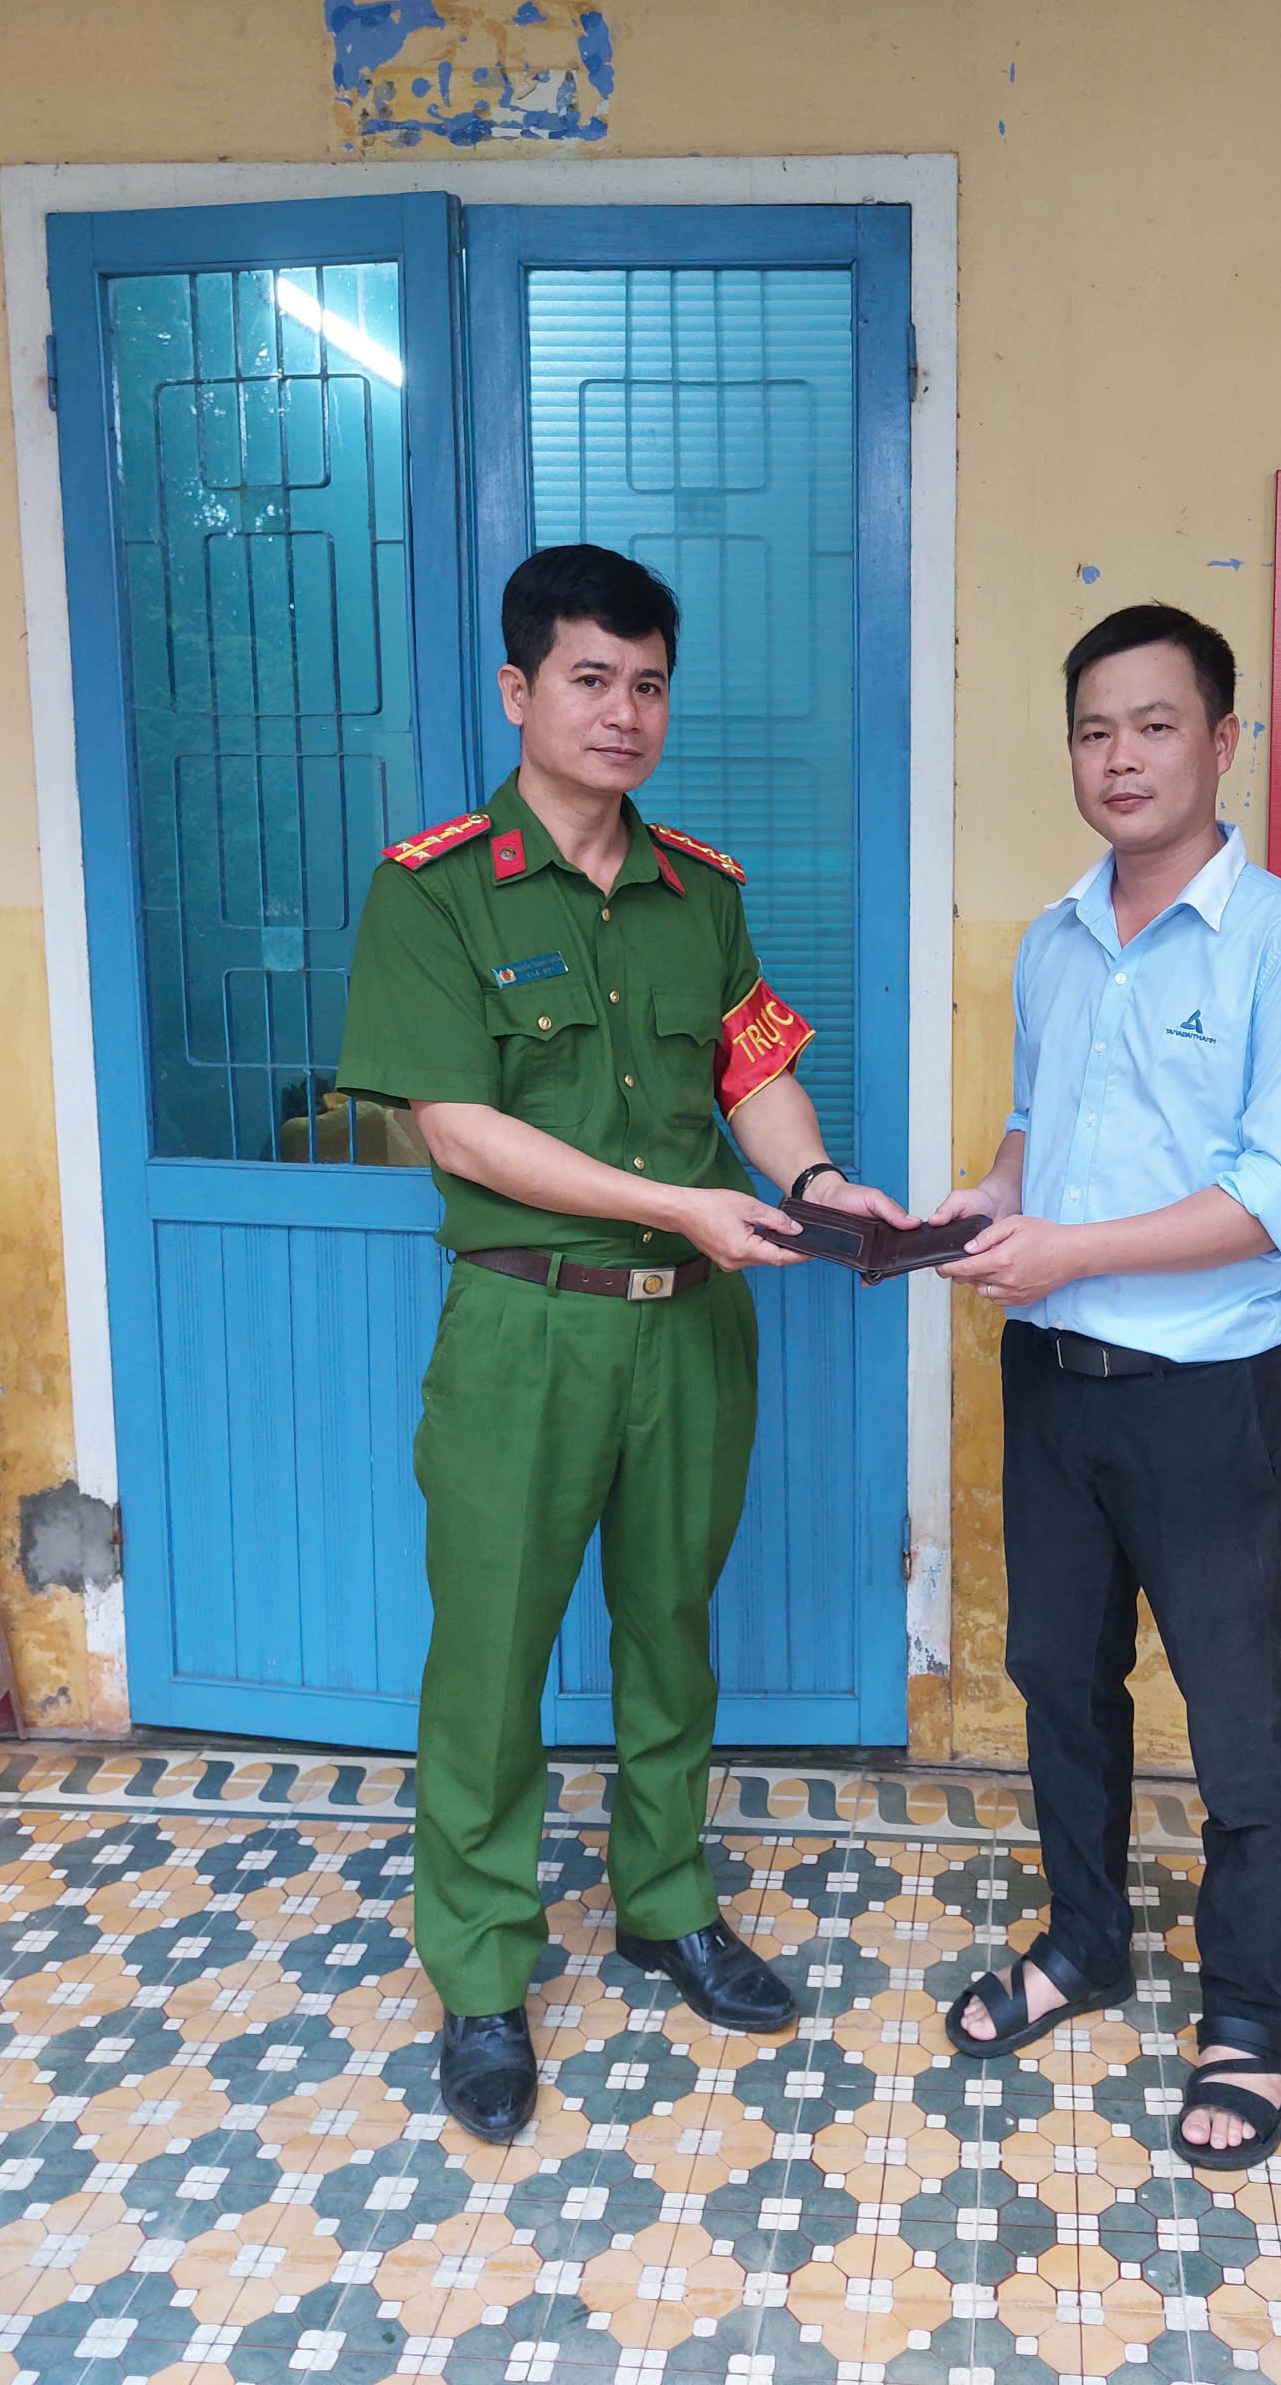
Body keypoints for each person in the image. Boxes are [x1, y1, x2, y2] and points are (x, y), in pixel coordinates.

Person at [336, 544, 912, 2142]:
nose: (623, 712)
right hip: (527, 1327)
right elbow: (457, 1128)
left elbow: (752, 1069)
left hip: (690, 1336)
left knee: (671, 1632)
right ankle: (480, 1969)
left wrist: (812, 1181)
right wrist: (676, 1205)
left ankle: (664, 1900)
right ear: (518, 691)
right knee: (491, 1657)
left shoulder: (699, 893)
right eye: (590, 679)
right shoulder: (434, 891)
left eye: (648, 684)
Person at [933, 601, 1281, 2171]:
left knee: (1235, 1708)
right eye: (1093, 730)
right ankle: (1084, 1940)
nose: (1120, 758)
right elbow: (1036, 1124)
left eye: (1155, 724)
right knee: (1059, 1676)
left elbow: (1275, 1201)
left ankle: (1246, 2013)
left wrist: (1071, 1249)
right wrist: (994, 1202)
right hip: (1052, 1380)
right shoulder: (1054, 945)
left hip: (1204, 1395)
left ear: (1223, 740)